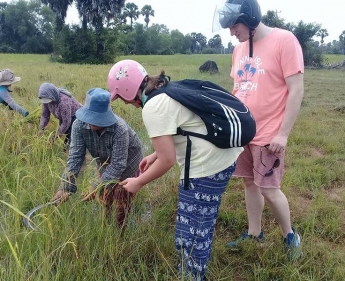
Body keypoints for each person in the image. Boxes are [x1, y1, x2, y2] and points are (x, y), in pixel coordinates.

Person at [107, 59, 243, 281]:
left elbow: (168, 160)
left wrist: (138, 183)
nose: (123, 102)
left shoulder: (152, 107)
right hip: (224, 158)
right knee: (203, 224)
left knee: (189, 236)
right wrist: (154, 155)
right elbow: (184, 126)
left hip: (205, 168)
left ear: (127, 91)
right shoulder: (165, 88)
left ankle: (192, 276)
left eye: (120, 97)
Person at [214, 0, 304, 260]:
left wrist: (283, 133)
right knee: (249, 183)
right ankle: (255, 233)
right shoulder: (239, 49)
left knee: (269, 188)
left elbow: (296, 89)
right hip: (243, 131)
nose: (231, 32)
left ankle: (290, 235)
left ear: (251, 18)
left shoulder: (284, 41)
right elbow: (239, 88)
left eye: (234, 25)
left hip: (269, 134)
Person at [52, 88, 143, 228]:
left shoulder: (120, 129)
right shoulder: (78, 126)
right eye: (91, 117)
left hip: (129, 162)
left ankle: (120, 231)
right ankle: (106, 224)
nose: (93, 122)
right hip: (105, 161)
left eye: (98, 119)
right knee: (104, 196)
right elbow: (75, 157)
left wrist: (94, 187)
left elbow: (119, 165)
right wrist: (66, 187)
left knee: (121, 200)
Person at [38, 82, 82, 149]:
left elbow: (66, 122)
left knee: (69, 139)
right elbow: (45, 115)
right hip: (63, 118)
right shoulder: (46, 99)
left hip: (76, 117)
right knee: (64, 132)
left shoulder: (64, 102)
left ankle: (67, 152)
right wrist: (41, 129)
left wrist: (56, 137)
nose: (48, 103)